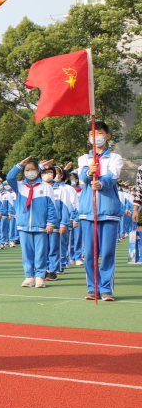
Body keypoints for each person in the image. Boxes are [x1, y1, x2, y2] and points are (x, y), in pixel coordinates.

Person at [77, 121, 124, 301]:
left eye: (99, 133)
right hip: (88, 212)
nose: (95, 137)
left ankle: (106, 289)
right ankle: (92, 287)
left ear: (107, 136)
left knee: (107, 252)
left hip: (108, 211)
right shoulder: (84, 159)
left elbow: (113, 176)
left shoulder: (115, 158)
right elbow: (81, 176)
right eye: (92, 134)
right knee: (89, 253)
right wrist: (90, 173)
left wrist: (101, 182)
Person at [7, 158, 56, 289]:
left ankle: (40, 276)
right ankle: (29, 276)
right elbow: (9, 177)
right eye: (27, 170)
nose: (30, 172)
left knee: (41, 252)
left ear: (38, 171)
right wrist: (19, 165)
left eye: (33, 169)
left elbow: (51, 206)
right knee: (27, 252)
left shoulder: (46, 187)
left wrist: (50, 223)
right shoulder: (19, 186)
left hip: (41, 225)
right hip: (24, 225)